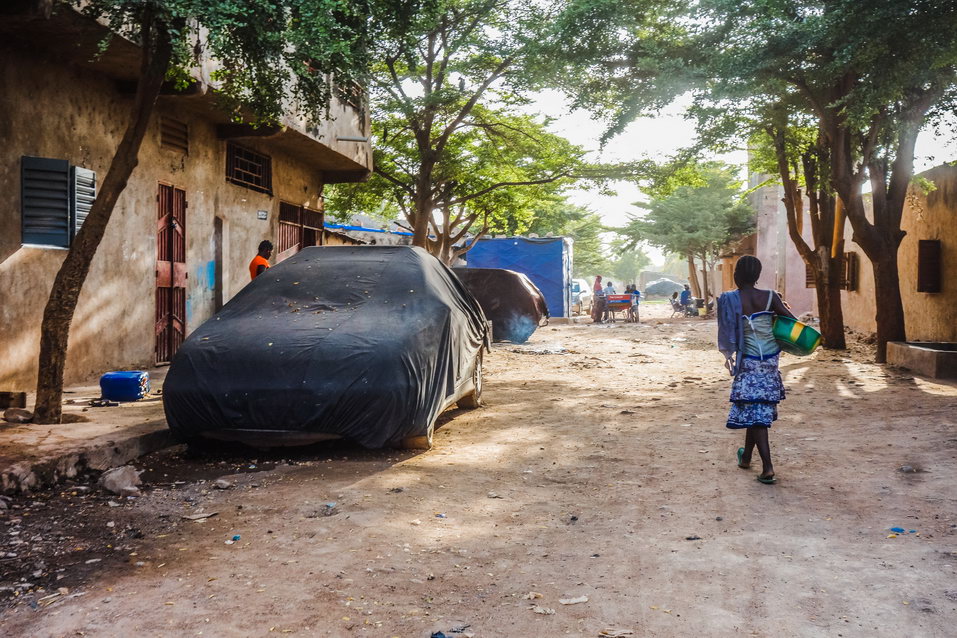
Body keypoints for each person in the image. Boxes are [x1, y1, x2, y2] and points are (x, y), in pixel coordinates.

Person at [717, 255, 796, 485]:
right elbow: (791, 322)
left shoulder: (730, 299)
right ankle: (746, 457)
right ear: (758, 275)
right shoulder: (770, 296)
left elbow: (726, 329)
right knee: (756, 410)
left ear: (737, 274)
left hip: (748, 361)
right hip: (770, 361)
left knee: (757, 416)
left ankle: (768, 468)